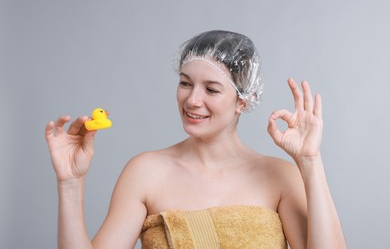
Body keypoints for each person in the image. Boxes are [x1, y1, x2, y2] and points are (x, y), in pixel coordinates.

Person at [45, 30, 347, 248]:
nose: (192, 100)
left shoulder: (279, 176)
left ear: (243, 100)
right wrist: (70, 183)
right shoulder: (145, 172)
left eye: (212, 89)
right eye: (185, 84)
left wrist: (310, 162)